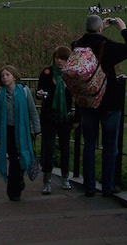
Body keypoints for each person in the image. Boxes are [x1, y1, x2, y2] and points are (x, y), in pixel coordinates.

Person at [72, 14, 127, 197]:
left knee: (89, 145)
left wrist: (98, 29)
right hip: (109, 101)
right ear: (100, 28)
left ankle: (89, 186)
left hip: (87, 101)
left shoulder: (78, 46)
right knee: (110, 146)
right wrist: (123, 28)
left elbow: (77, 42)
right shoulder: (107, 46)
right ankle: (107, 187)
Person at [0, 65, 41, 201]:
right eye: (3, 76)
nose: (5, 77)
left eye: (7, 75)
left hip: (22, 131)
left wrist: (37, 129)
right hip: (8, 132)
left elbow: (32, 111)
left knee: (21, 160)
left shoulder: (24, 92)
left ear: (14, 77)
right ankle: (13, 191)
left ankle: (19, 179)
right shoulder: (0, 96)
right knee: (14, 160)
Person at [36, 46, 78, 194]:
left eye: (63, 58)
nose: (59, 61)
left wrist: (76, 119)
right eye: (57, 58)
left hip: (65, 117)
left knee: (65, 147)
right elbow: (38, 91)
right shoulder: (47, 73)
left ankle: (65, 178)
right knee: (48, 148)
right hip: (48, 116)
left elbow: (76, 96)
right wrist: (40, 94)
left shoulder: (70, 75)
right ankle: (46, 181)